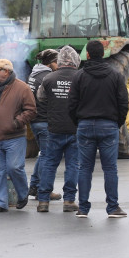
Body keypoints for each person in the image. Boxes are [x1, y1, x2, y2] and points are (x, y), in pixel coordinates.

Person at [68, 40, 129, 218]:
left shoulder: (79, 76)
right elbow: (123, 103)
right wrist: (116, 122)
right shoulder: (116, 75)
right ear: (103, 54)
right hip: (108, 125)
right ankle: (112, 207)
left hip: (85, 125)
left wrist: (78, 122)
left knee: (85, 168)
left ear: (87, 55)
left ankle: (83, 208)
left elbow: (71, 104)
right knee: (110, 168)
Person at [0, 58, 36, 212]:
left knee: (14, 167)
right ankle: (0, 202)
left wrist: (16, 122)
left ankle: (23, 194)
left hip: (14, 137)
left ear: (7, 71)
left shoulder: (22, 88)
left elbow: (31, 110)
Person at [36, 45, 81, 213]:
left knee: (49, 164)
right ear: (76, 60)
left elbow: (41, 98)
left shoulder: (48, 78)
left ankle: (43, 201)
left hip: (54, 128)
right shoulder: (80, 77)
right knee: (73, 165)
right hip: (75, 129)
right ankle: (69, 200)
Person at [26, 49, 61, 201]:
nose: (59, 65)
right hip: (45, 120)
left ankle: (34, 186)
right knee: (49, 157)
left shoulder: (34, 75)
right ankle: (44, 190)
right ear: (52, 62)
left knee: (44, 155)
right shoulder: (48, 77)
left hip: (35, 121)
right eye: (57, 62)